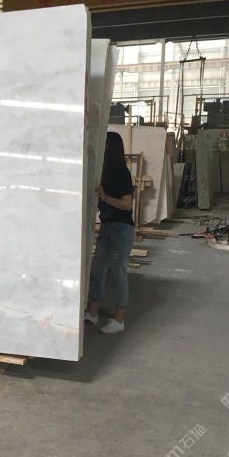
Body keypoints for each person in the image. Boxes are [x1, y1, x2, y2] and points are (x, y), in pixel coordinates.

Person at [85, 132, 135, 334]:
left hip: (121, 229)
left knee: (118, 272)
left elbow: (127, 204)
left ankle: (119, 319)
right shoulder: (103, 171)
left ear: (111, 148)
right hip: (107, 227)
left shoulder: (122, 173)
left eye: (103, 145)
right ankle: (93, 313)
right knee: (97, 271)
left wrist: (105, 198)